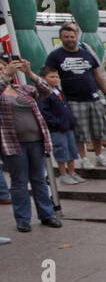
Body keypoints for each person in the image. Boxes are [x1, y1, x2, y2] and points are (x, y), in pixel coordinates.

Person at [0, 57, 62, 232]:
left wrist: (29, 73)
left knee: (39, 179)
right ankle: (22, 219)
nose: (3, 71)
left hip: (36, 141)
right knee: (19, 181)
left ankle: (47, 214)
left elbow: (46, 90)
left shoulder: (22, 89)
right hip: (13, 143)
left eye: (3, 68)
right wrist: (6, 75)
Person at [44, 22, 106, 168]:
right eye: (66, 37)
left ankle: (99, 155)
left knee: (98, 128)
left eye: (72, 36)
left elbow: (97, 74)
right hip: (73, 99)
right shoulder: (55, 56)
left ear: (76, 37)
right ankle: (83, 158)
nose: (69, 39)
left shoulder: (86, 53)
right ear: (61, 38)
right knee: (79, 130)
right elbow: (47, 74)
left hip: (92, 96)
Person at [38, 64, 82, 185]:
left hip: (68, 126)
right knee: (61, 150)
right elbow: (45, 112)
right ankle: (63, 174)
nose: (55, 79)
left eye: (57, 77)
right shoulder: (44, 94)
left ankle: (72, 172)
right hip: (57, 129)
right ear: (42, 78)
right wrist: (56, 123)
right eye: (51, 77)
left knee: (72, 149)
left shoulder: (59, 91)